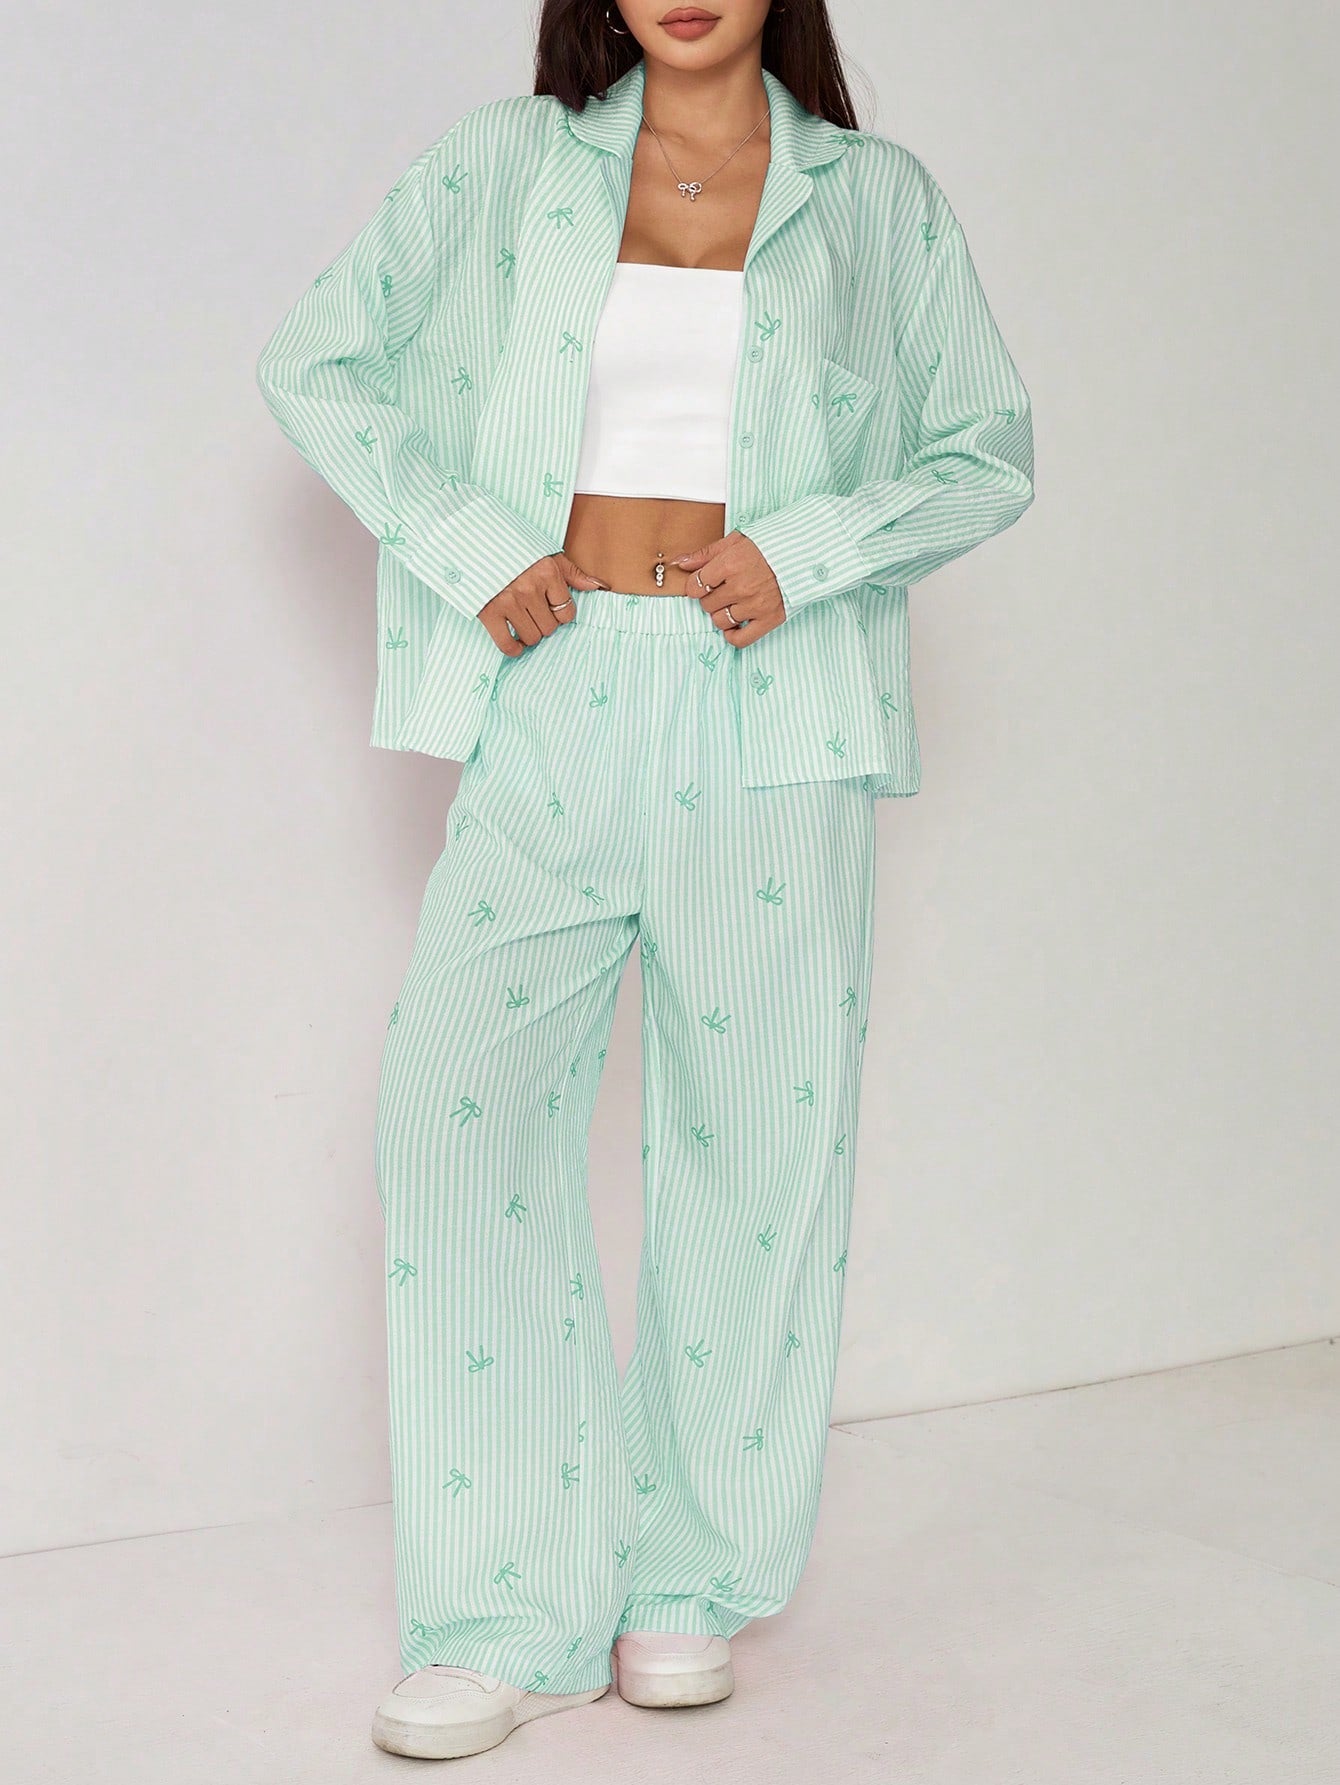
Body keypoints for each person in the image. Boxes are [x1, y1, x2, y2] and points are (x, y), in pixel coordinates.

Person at [255, 0, 1034, 1761]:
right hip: (556, 682)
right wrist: (472, 548)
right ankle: (505, 1611)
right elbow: (318, 359)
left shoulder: (876, 201)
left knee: (755, 1144)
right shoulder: (505, 166)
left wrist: (808, 548)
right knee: (457, 1109)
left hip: (777, 703)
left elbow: (987, 445)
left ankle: (687, 1575)